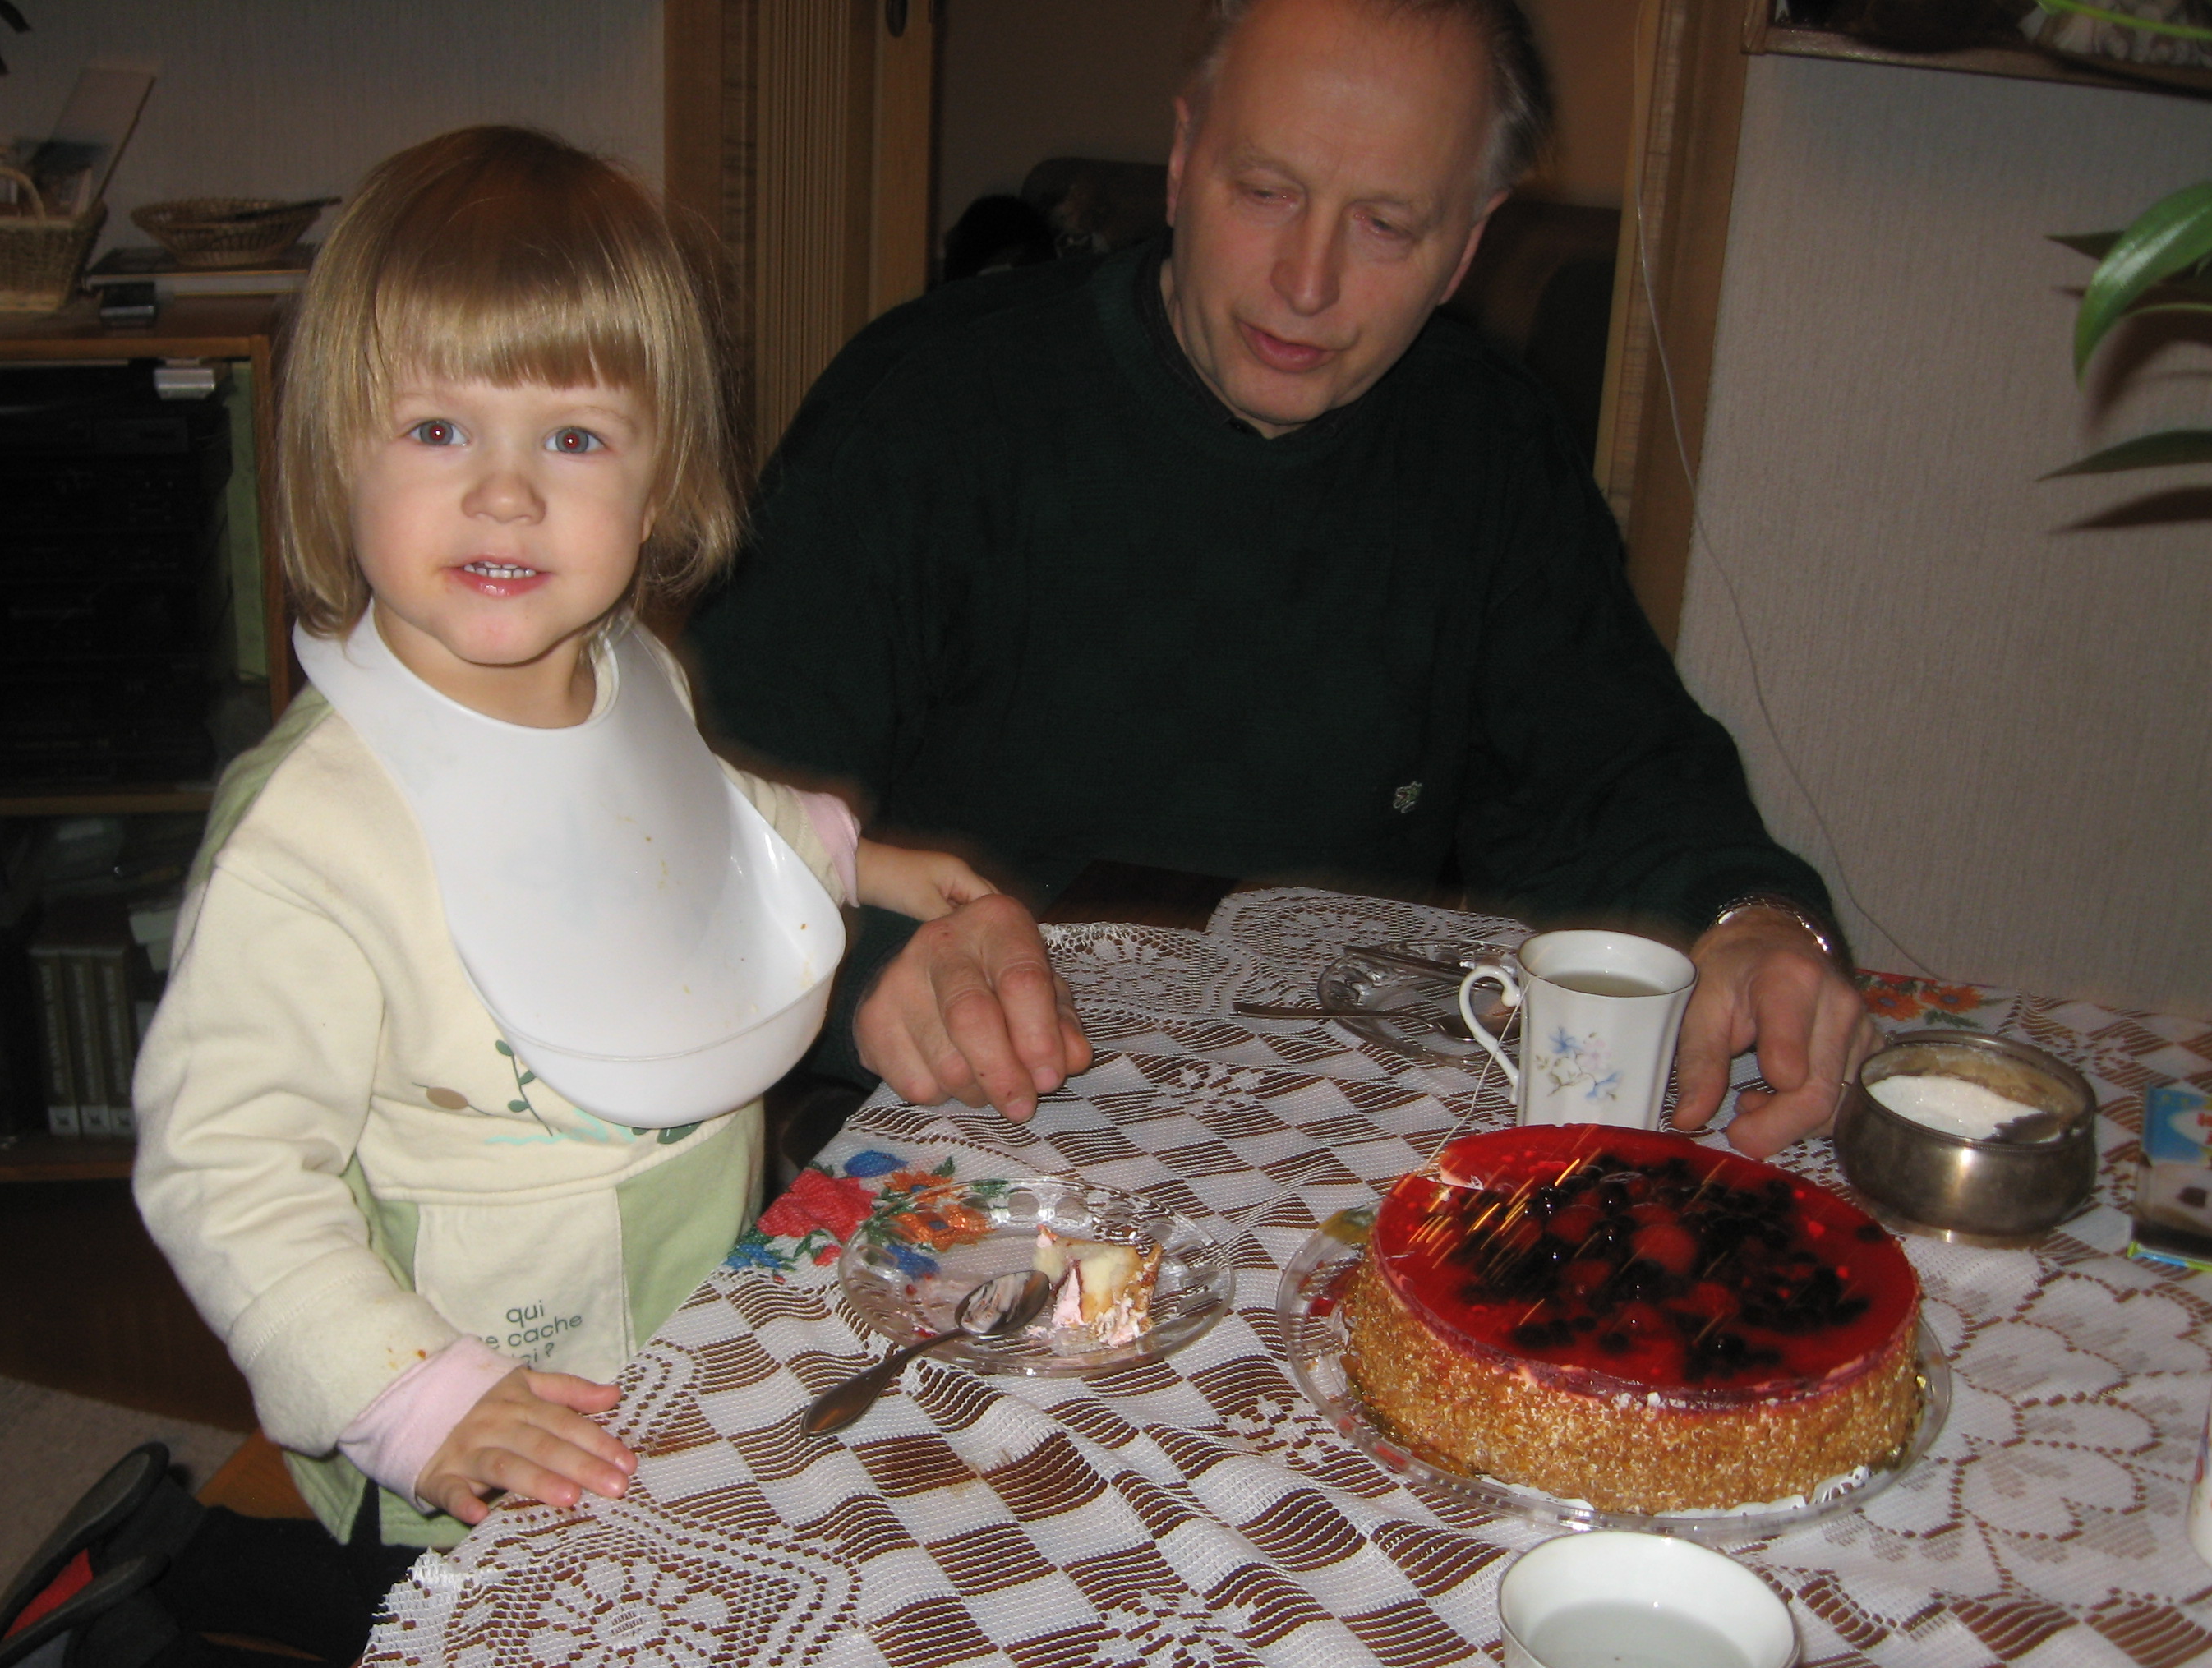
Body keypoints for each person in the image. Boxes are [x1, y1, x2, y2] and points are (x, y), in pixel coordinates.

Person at [0, 126, 990, 1668]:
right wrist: (416, 1402)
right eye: (436, 428)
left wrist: (842, 852)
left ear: (661, 483)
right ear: (334, 454)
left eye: (574, 435)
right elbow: (221, 1165)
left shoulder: (628, 668)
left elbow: (672, 817)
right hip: (465, 1382)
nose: (504, 491)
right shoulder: (314, 838)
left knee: (538, 1604)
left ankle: (176, 1555)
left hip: (655, 1315)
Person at [689, 0, 1877, 1158]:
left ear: (1469, 243)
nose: (1307, 284)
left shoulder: (1492, 446)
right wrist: (873, 970)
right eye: (1264, 192)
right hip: (955, 1139)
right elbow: (696, 831)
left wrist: (1748, 919)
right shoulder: (924, 411)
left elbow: (1611, 774)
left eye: (1387, 225)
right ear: (1181, 161)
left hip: (1329, 1147)